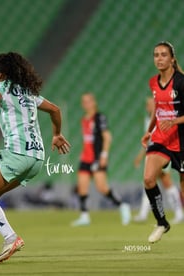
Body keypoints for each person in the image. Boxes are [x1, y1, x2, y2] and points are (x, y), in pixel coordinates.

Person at [0, 52, 70, 263]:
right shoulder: (27, 92)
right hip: (36, 158)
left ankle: (11, 238)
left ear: (1, 74)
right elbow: (55, 110)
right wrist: (56, 134)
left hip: (16, 153)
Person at [141, 41, 184, 243]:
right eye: (156, 54)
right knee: (149, 179)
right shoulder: (153, 82)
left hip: (181, 139)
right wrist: (149, 131)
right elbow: (158, 109)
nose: (159, 58)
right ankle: (161, 222)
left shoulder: (181, 82)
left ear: (172, 59)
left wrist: (174, 120)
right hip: (161, 138)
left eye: (163, 55)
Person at [71, 93, 131, 226]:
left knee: (102, 187)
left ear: (94, 102)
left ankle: (122, 206)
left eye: (88, 101)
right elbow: (87, 140)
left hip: (97, 158)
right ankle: (84, 216)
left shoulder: (99, 118)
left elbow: (107, 137)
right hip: (85, 158)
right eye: (84, 102)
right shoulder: (84, 120)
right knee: (82, 187)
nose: (86, 104)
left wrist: (104, 155)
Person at [134, 97, 183, 223]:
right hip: (154, 151)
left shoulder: (164, 117)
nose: (151, 106)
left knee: (164, 181)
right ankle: (144, 213)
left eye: (152, 103)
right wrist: (140, 156)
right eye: (149, 104)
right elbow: (149, 141)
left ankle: (178, 212)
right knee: (151, 181)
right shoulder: (149, 120)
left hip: (164, 150)